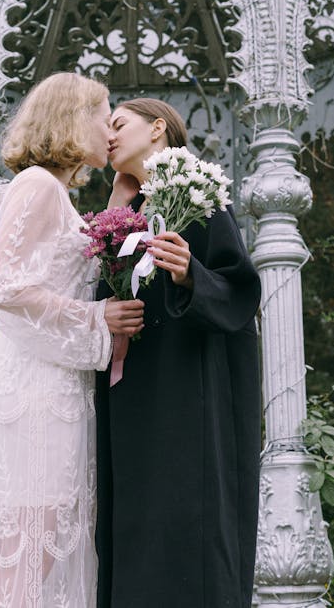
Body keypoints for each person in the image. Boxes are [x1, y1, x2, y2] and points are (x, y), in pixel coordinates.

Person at [0, 73, 144, 608]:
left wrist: (117, 202)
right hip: (34, 388)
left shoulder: (56, 193)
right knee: (31, 541)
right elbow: (0, 285)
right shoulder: (37, 184)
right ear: (70, 119)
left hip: (57, 383)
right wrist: (97, 318)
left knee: (50, 535)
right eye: (102, 115)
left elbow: (52, 272)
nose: (110, 130)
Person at [96, 98, 261, 608]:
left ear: (158, 128)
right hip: (132, 398)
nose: (107, 136)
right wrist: (115, 211)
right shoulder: (128, 211)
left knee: (182, 525)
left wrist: (191, 273)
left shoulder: (197, 192)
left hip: (184, 395)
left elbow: (239, 290)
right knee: (132, 525)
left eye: (118, 124)